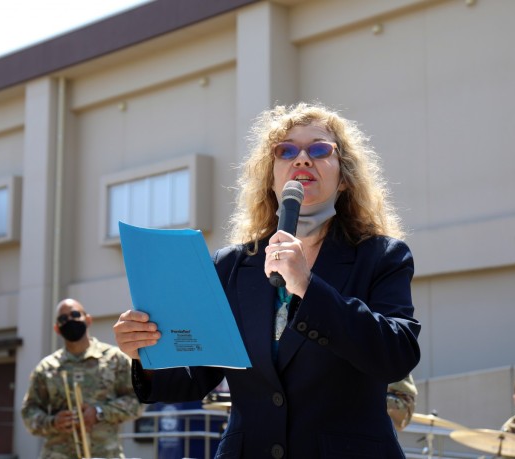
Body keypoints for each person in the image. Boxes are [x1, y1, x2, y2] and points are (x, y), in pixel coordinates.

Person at [114, 102, 421, 458]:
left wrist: (308, 286)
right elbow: (195, 376)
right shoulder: (230, 265)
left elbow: (397, 355)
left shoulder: (382, 256)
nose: (302, 159)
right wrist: (143, 353)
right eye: (286, 150)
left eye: (319, 149)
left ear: (344, 179)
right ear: (271, 178)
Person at [21, 298, 143, 459]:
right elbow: (29, 411)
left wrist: (100, 412)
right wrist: (52, 422)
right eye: (63, 319)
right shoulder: (46, 367)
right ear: (57, 329)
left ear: (88, 320)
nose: (69, 320)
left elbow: (138, 401)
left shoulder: (115, 359)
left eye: (75, 314)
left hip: (105, 454)